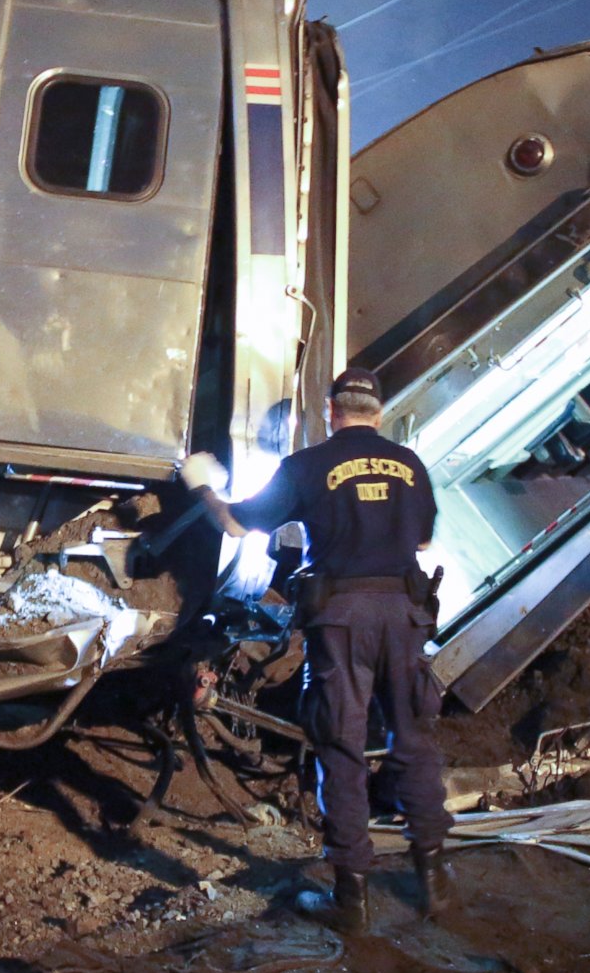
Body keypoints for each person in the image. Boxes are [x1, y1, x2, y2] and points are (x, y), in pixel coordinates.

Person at [182, 367, 451, 933]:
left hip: (342, 619)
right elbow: (423, 538)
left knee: (342, 747)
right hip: (405, 616)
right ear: (379, 414)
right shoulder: (412, 465)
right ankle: (434, 880)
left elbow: (235, 525)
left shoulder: (306, 466)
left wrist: (201, 485)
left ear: (331, 412)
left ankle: (351, 899)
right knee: (415, 740)